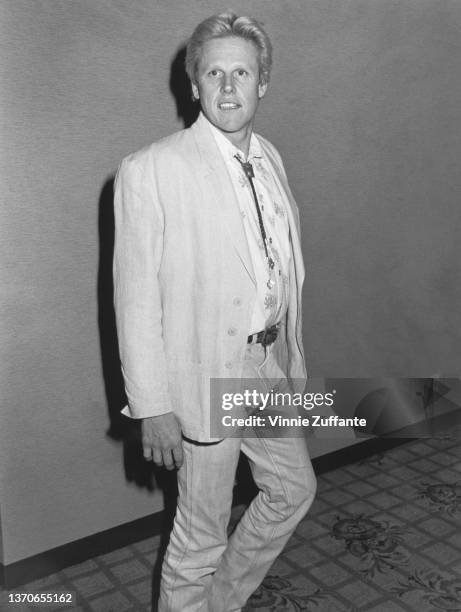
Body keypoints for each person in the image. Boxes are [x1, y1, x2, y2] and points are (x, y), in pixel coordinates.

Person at [113, 11, 316, 612]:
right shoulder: (151, 169)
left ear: (263, 84)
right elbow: (135, 298)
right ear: (194, 85)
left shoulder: (271, 157)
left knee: (293, 489)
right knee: (199, 536)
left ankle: (216, 604)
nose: (230, 86)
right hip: (200, 373)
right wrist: (152, 406)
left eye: (243, 72)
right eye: (215, 72)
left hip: (262, 364)